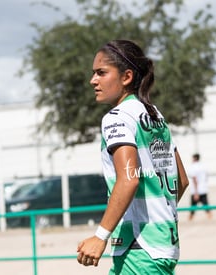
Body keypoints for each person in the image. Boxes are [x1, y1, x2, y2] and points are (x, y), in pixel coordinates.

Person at [76, 39, 189, 274]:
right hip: (160, 245)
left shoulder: (117, 118)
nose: (93, 80)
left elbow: (128, 179)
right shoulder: (156, 116)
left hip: (140, 250)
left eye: (101, 73)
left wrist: (100, 236)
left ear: (126, 77)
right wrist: (156, 212)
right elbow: (182, 180)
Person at [187, 153, 212, 220]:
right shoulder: (203, 166)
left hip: (196, 191)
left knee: (192, 208)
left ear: (194, 158)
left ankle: (189, 220)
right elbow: (206, 177)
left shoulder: (193, 167)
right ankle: (211, 219)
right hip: (203, 189)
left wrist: (196, 192)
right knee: (206, 207)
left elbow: (195, 180)